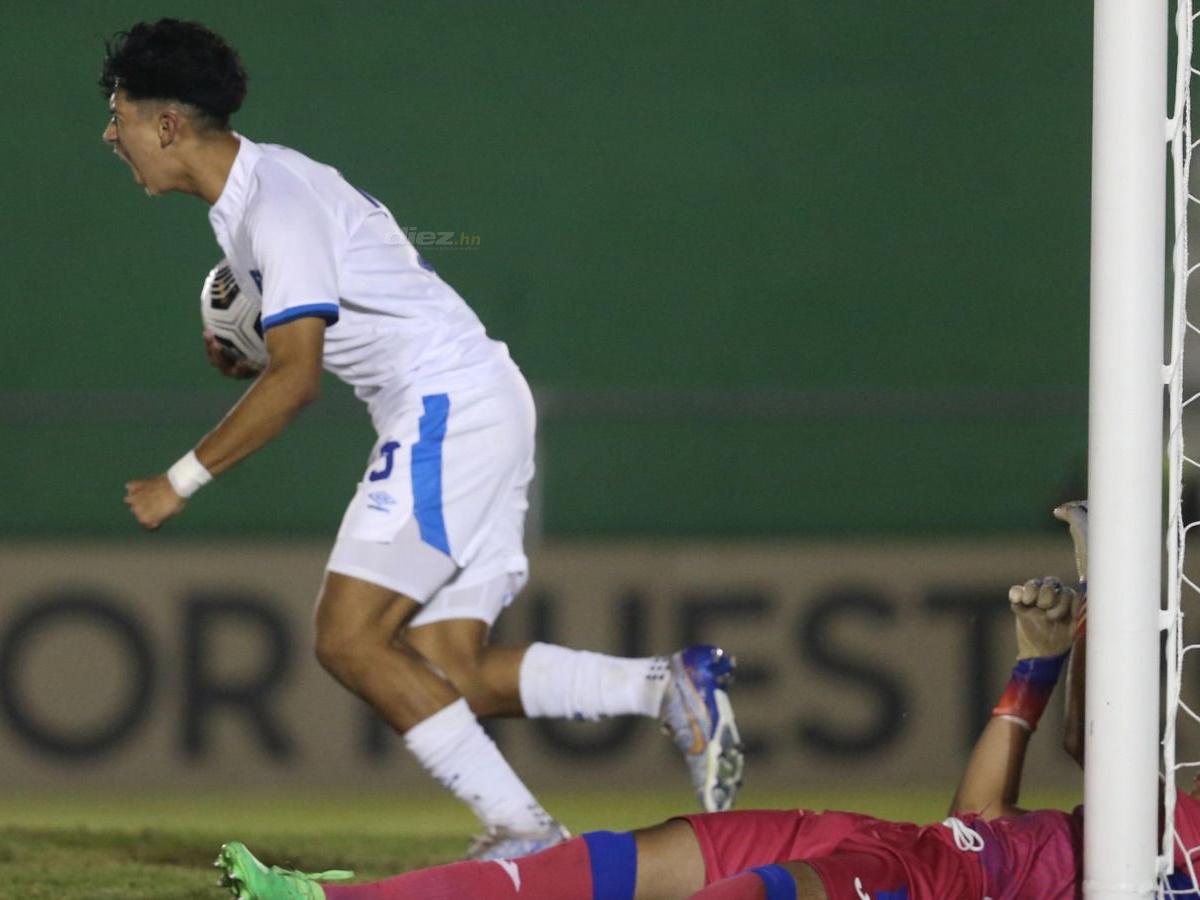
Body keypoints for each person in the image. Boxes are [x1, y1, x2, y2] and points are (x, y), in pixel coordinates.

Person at [100, 18, 743, 859]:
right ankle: (667, 688)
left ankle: (528, 836)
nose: (112, 134)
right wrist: (256, 346)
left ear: (169, 125)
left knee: (348, 638)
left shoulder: (275, 206)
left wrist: (178, 479)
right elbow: (313, 336)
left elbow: (295, 380)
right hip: (477, 399)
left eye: (119, 114)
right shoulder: (264, 192)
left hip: (448, 408)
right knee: (450, 668)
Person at [213, 501, 1200, 899]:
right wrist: (1033, 663)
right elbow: (982, 822)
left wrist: (1097, 621)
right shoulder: (1131, 836)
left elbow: (1098, 754)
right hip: (894, 841)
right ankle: (324, 897)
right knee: (601, 867)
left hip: (918, 887)